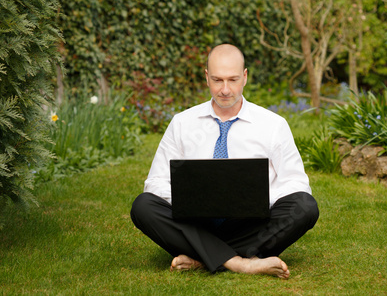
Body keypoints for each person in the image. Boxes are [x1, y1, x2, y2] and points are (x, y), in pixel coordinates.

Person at [130, 44, 319, 279]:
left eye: (233, 79)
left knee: (305, 207)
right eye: (218, 80)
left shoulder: (273, 125)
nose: (225, 90)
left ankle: (203, 256)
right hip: (197, 223)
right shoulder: (182, 123)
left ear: (245, 77)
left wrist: (257, 200)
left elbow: (298, 183)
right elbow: (155, 183)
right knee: (143, 206)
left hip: (251, 225)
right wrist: (190, 198)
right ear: (207, 78)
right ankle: (241, 263)